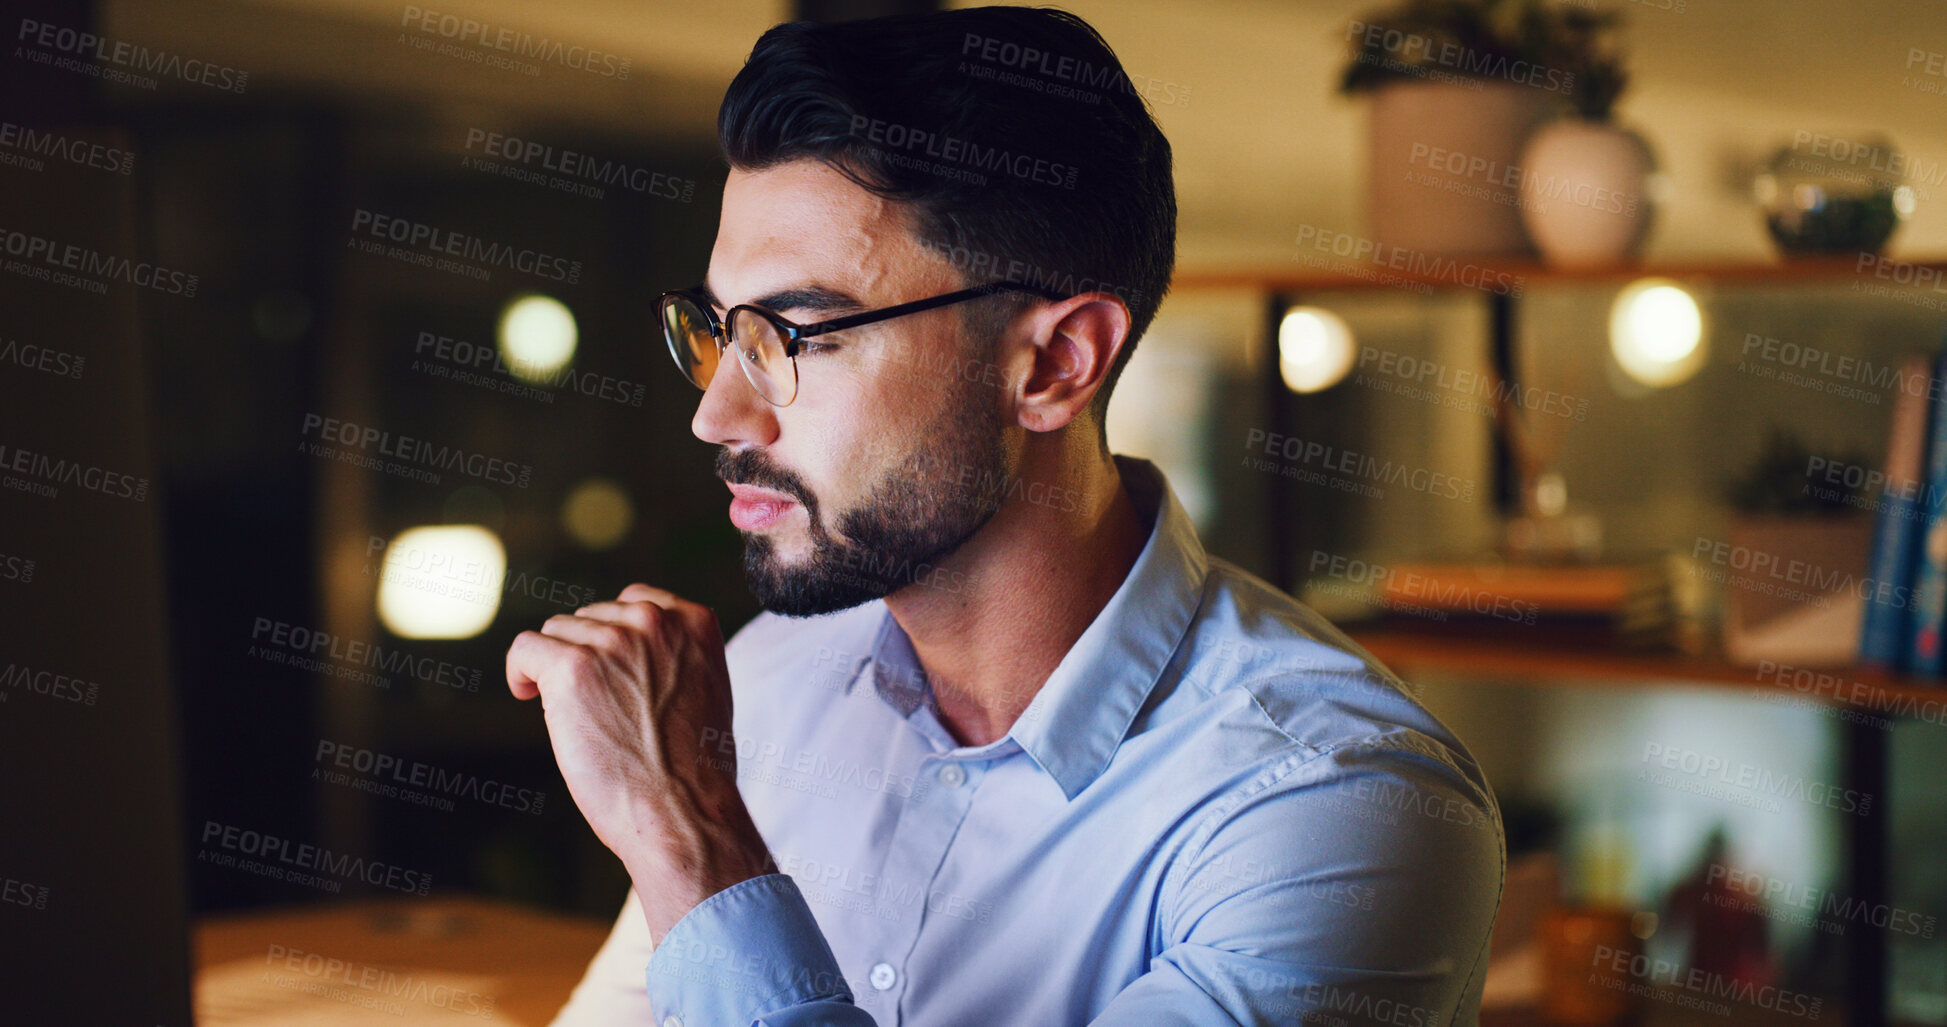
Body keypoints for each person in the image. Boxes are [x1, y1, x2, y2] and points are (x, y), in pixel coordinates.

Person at [512, 7, 1504, 1025]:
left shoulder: (1337, 810)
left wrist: (691, 837)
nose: (715, 412)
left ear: (1054, 365)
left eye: (794, 336)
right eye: (722, 334)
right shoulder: (764, 683)